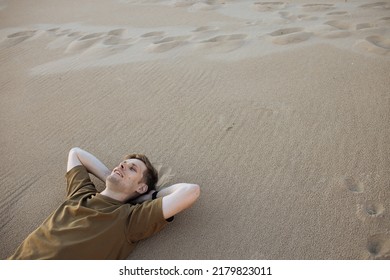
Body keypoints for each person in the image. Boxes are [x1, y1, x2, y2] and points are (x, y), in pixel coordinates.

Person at [8, 147, 200, 259]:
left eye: (132, 169)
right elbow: (75, 153)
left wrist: (147, 197)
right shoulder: (80, 194)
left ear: (141, 187)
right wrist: (112, 175)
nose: (122, 165)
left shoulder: (130, 219)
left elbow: (190, 191)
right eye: (122, 164)